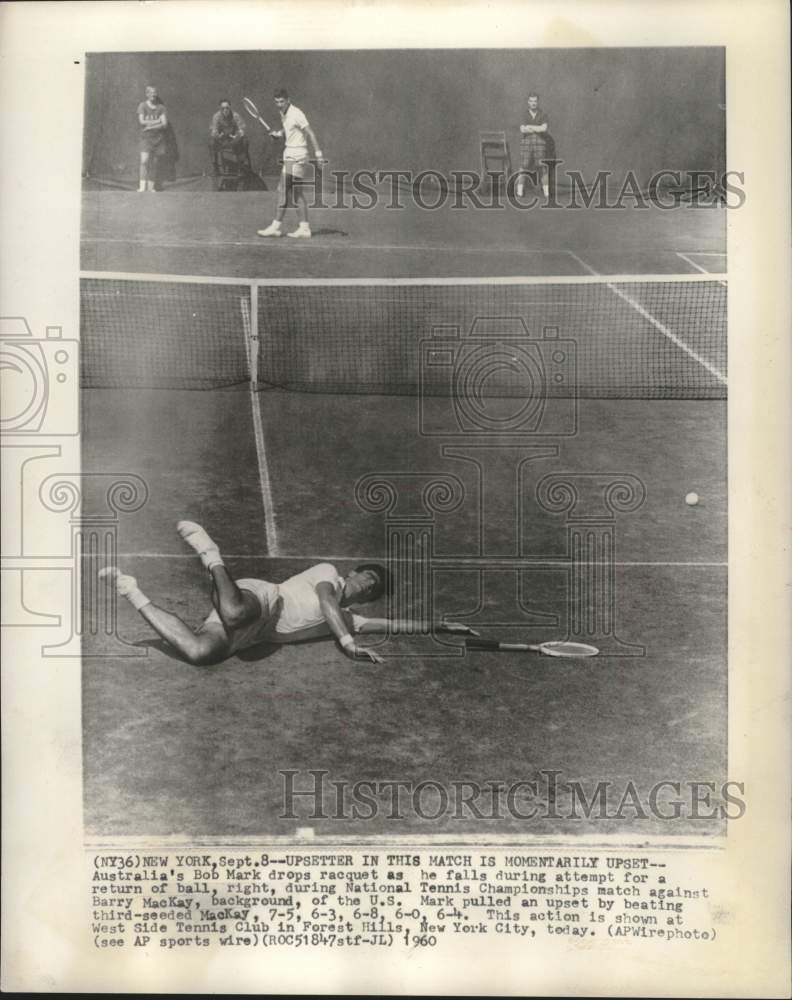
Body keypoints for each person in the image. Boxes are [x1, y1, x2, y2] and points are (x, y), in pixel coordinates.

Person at [100, 521, 476, 666]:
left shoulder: (350, 619)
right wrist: (346, 643)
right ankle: (210, 554)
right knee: (233, 614)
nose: (366, 588)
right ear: (354, 573)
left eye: (372, 590)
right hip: (259, 598)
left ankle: (129, 589)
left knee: (201, 653)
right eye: (367, 579)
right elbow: (327, 602)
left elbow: (392, 625)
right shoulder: (328, 574)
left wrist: (440, 626)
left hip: (254, 634)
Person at [257, 88, 325, 239]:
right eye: (276, 102)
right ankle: (304, 228)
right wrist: (279, 134)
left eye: (282, 101)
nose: (279, 105)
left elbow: (310, 133)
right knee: (296, 193)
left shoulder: (297, 113)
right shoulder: (284, 113)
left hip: (295, 156)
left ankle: (275, 227)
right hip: (294, 155)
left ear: (288, 100)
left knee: (282, 189)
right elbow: (289, 129)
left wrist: (319, 155)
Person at [209, 99, 250, 187]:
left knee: (245, 140)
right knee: (211, 141)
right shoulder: (216, 116)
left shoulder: (236, 116)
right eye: (223, 108)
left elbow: (242, 131)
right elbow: (213, 131)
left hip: (234, 141)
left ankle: (241, 167)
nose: (225, 110)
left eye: (227, 108)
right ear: (220, 109)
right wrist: (218, 136)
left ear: (230, 108)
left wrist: (236, 137)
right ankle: (215, 167)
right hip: (222, 140)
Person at [517, 92, 550, 200]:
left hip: (540, 142)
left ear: (538, 102)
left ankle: (546, 193)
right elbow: (522, 129)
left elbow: (544, 128)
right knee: (523, 166)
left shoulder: (543, 114)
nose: (533, 103)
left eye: (535, 101)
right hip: (526, 142)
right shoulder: (524, 114)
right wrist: (537, 127)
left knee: (542, 167)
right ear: (528, 102)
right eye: (531, 101)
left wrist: (529, 127)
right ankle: (519, 192)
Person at [137, 85, 168, 192]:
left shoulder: (161, 107)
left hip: (159, 139)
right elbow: (141, 122)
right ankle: (142, 187)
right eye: (151, 93)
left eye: (155, 93)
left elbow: (164, 124)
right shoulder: (142, 105)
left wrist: (151, 125)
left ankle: (151, 188)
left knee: (154, 163)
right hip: (146, 138)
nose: (153, 95)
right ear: (147, 94)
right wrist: (157, 121)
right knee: (144, 161)